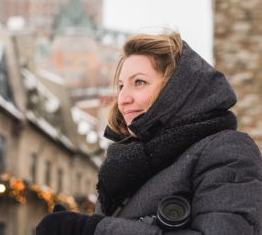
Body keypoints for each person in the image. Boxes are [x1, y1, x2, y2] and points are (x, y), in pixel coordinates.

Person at [36, 32, 262, 235]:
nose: (123, 98)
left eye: (139, 82)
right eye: (122, 85)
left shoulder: (226, 151)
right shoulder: (126, 167)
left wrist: (93, 230)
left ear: (176, 90)